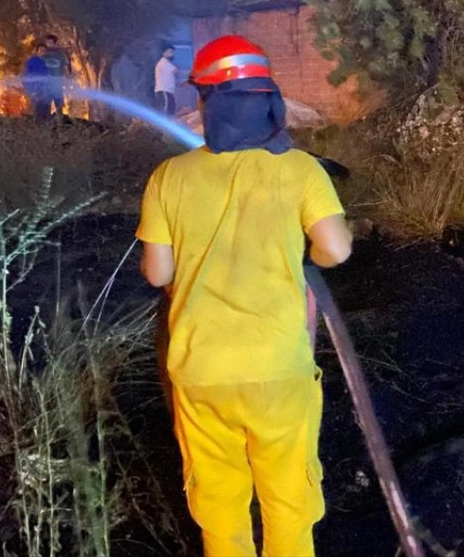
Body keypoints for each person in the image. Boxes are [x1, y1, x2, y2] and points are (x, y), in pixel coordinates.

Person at [137, 35, 352, 557]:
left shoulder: (169, 176)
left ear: (206, 101)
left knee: (219, 506)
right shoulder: (302, 170)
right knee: (289, 504)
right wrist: (298, 257)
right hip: (279, 369)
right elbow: (336, 251)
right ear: (268, 100)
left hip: (200, 372)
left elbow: (156, 271)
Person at [40, 33, 71, 117]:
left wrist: (66, 79)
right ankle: (46, 122)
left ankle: (59, 121)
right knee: (45, 103)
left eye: (50, 43)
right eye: (47, 43)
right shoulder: (44, 52)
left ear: (54, 43)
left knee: (58, 102)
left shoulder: (60, 54)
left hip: (57, 81)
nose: (48, 45)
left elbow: (66, 66)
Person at [23, 43, 51, 119]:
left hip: (46, 91)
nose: (43, 52)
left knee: (46, 112)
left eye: (44, 50)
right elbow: (25, 75)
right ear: (37, 51)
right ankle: (37, 128)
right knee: (37, 111)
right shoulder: (32, 61)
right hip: (35, 91)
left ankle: (45, 128)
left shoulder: (48, 62)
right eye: (41, 50)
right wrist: (29, 89)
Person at [154, 44, 180, 116]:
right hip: (164, 91)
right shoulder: (164, 63)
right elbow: (176, 71)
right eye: (170, 52)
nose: (172, 54)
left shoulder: (165, 63)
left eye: (172, 52)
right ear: (164, 53)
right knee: (166, 111)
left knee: (169, 110)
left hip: (167, 91)